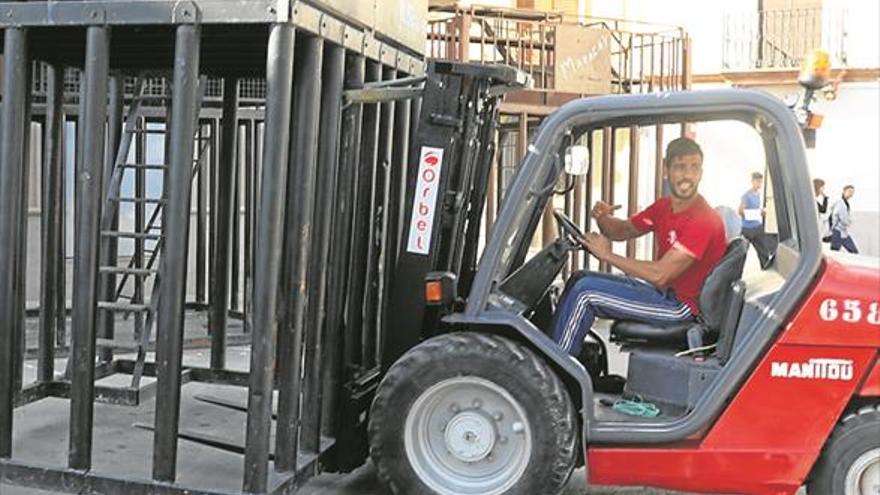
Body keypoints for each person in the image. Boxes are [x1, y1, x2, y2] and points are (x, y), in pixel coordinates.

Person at [551, 137, 727, 356]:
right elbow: (622, 231)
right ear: (666, 169)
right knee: (579, 277)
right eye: (680, 167)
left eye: (694, 168)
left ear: (701, 172)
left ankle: (552, 374)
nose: (687, 176)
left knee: (585, 293)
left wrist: (607, 255)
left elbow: (660, 274)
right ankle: (558, 353)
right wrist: (603, 218)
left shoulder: (704, 220)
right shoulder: (664, 207)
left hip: (682, 308)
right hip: (664, 293)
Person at [738, 172, 775, 268]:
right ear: (752, 181)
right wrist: (757, 212)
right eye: (757, 181)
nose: (759, 184)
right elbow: (741, 211)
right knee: (741, 254)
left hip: (757, 227)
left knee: (764, 251)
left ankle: (766, 267)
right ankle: (736, 277)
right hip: (747, 229)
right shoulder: (746, 196)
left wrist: (761, 212)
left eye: (760, 182)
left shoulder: (758, 195)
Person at [829, 185, 858, 253]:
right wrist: (849, 221)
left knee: (835, 252)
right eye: (849, 191)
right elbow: (843, 219)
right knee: (835, 253)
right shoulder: (840, 203)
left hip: (842, 232)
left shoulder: (845, 203)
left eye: (852, 192)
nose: (851, 194)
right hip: (838, 232)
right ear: (844, 191)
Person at [814, 178, 831, 242]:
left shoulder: (813, 199)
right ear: (818, 187)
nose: (824, 189)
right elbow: (823, 210)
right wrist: (825, 198)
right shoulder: (812, 200)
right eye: (822, 187)